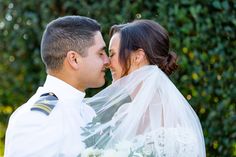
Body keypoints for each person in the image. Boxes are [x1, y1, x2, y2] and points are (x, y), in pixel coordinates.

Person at [81, 20, 206, 157]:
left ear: (138, 57)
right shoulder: (123, 113)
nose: (108, 63)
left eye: (112, 54)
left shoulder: (176, 124)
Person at [4, 15, 109, 157]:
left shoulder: (87, 111)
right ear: (74, 59)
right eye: (100, 53)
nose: (107, 61)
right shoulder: (36, 119)